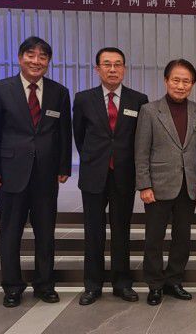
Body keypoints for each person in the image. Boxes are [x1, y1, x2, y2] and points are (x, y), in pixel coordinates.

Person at [0, 36, 72, 308]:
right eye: (31, 55)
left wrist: (64, 166)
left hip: (46, 175)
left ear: (48, 61)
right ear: (20, 58)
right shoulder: (0, 90)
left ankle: (45, 284)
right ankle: (12, 286)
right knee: (11, 233)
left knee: (46, 233)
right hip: (11, 173)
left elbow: (63, 132)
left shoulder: (59, 92)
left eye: (42, 57)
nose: (36, 61)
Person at [73, 47, 148, 305]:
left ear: (124, 69)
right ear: (97, 69)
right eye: (107, 64)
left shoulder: (138, 100)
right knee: (93, 231)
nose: (112, 69)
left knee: (121, 231)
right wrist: (96, 158)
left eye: (118, 64)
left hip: (124, 175)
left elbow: (140, 139)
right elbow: (79, 136)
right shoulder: (84, 99)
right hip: (94, 175)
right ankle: (92, 285)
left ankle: (122, 283)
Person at [135, 59, 196, 305]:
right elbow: (141, 151)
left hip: (188, 185)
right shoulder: (149, 111)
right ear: (166, 81)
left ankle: (174, 280)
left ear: (192, 84)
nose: (181, 86)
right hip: (158, 185)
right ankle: (154, 284)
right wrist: (144, 185)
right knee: (154, 238)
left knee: (182, 237)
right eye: (176, 80)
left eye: (186, 81)